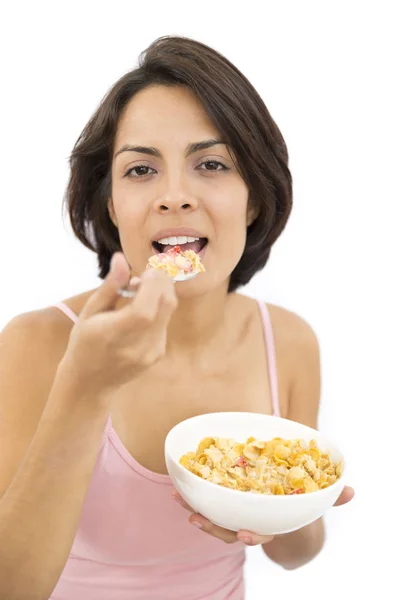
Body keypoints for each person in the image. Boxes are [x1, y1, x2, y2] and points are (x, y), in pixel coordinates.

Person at [0, 35, 354, 600]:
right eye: (141, 170)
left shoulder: (287, 342)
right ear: (113, 204)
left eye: (210, 164)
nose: (174, 196)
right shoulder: (36, 343)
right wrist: (84, 387)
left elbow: (300, 553)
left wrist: (292, 505)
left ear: (255, 197)